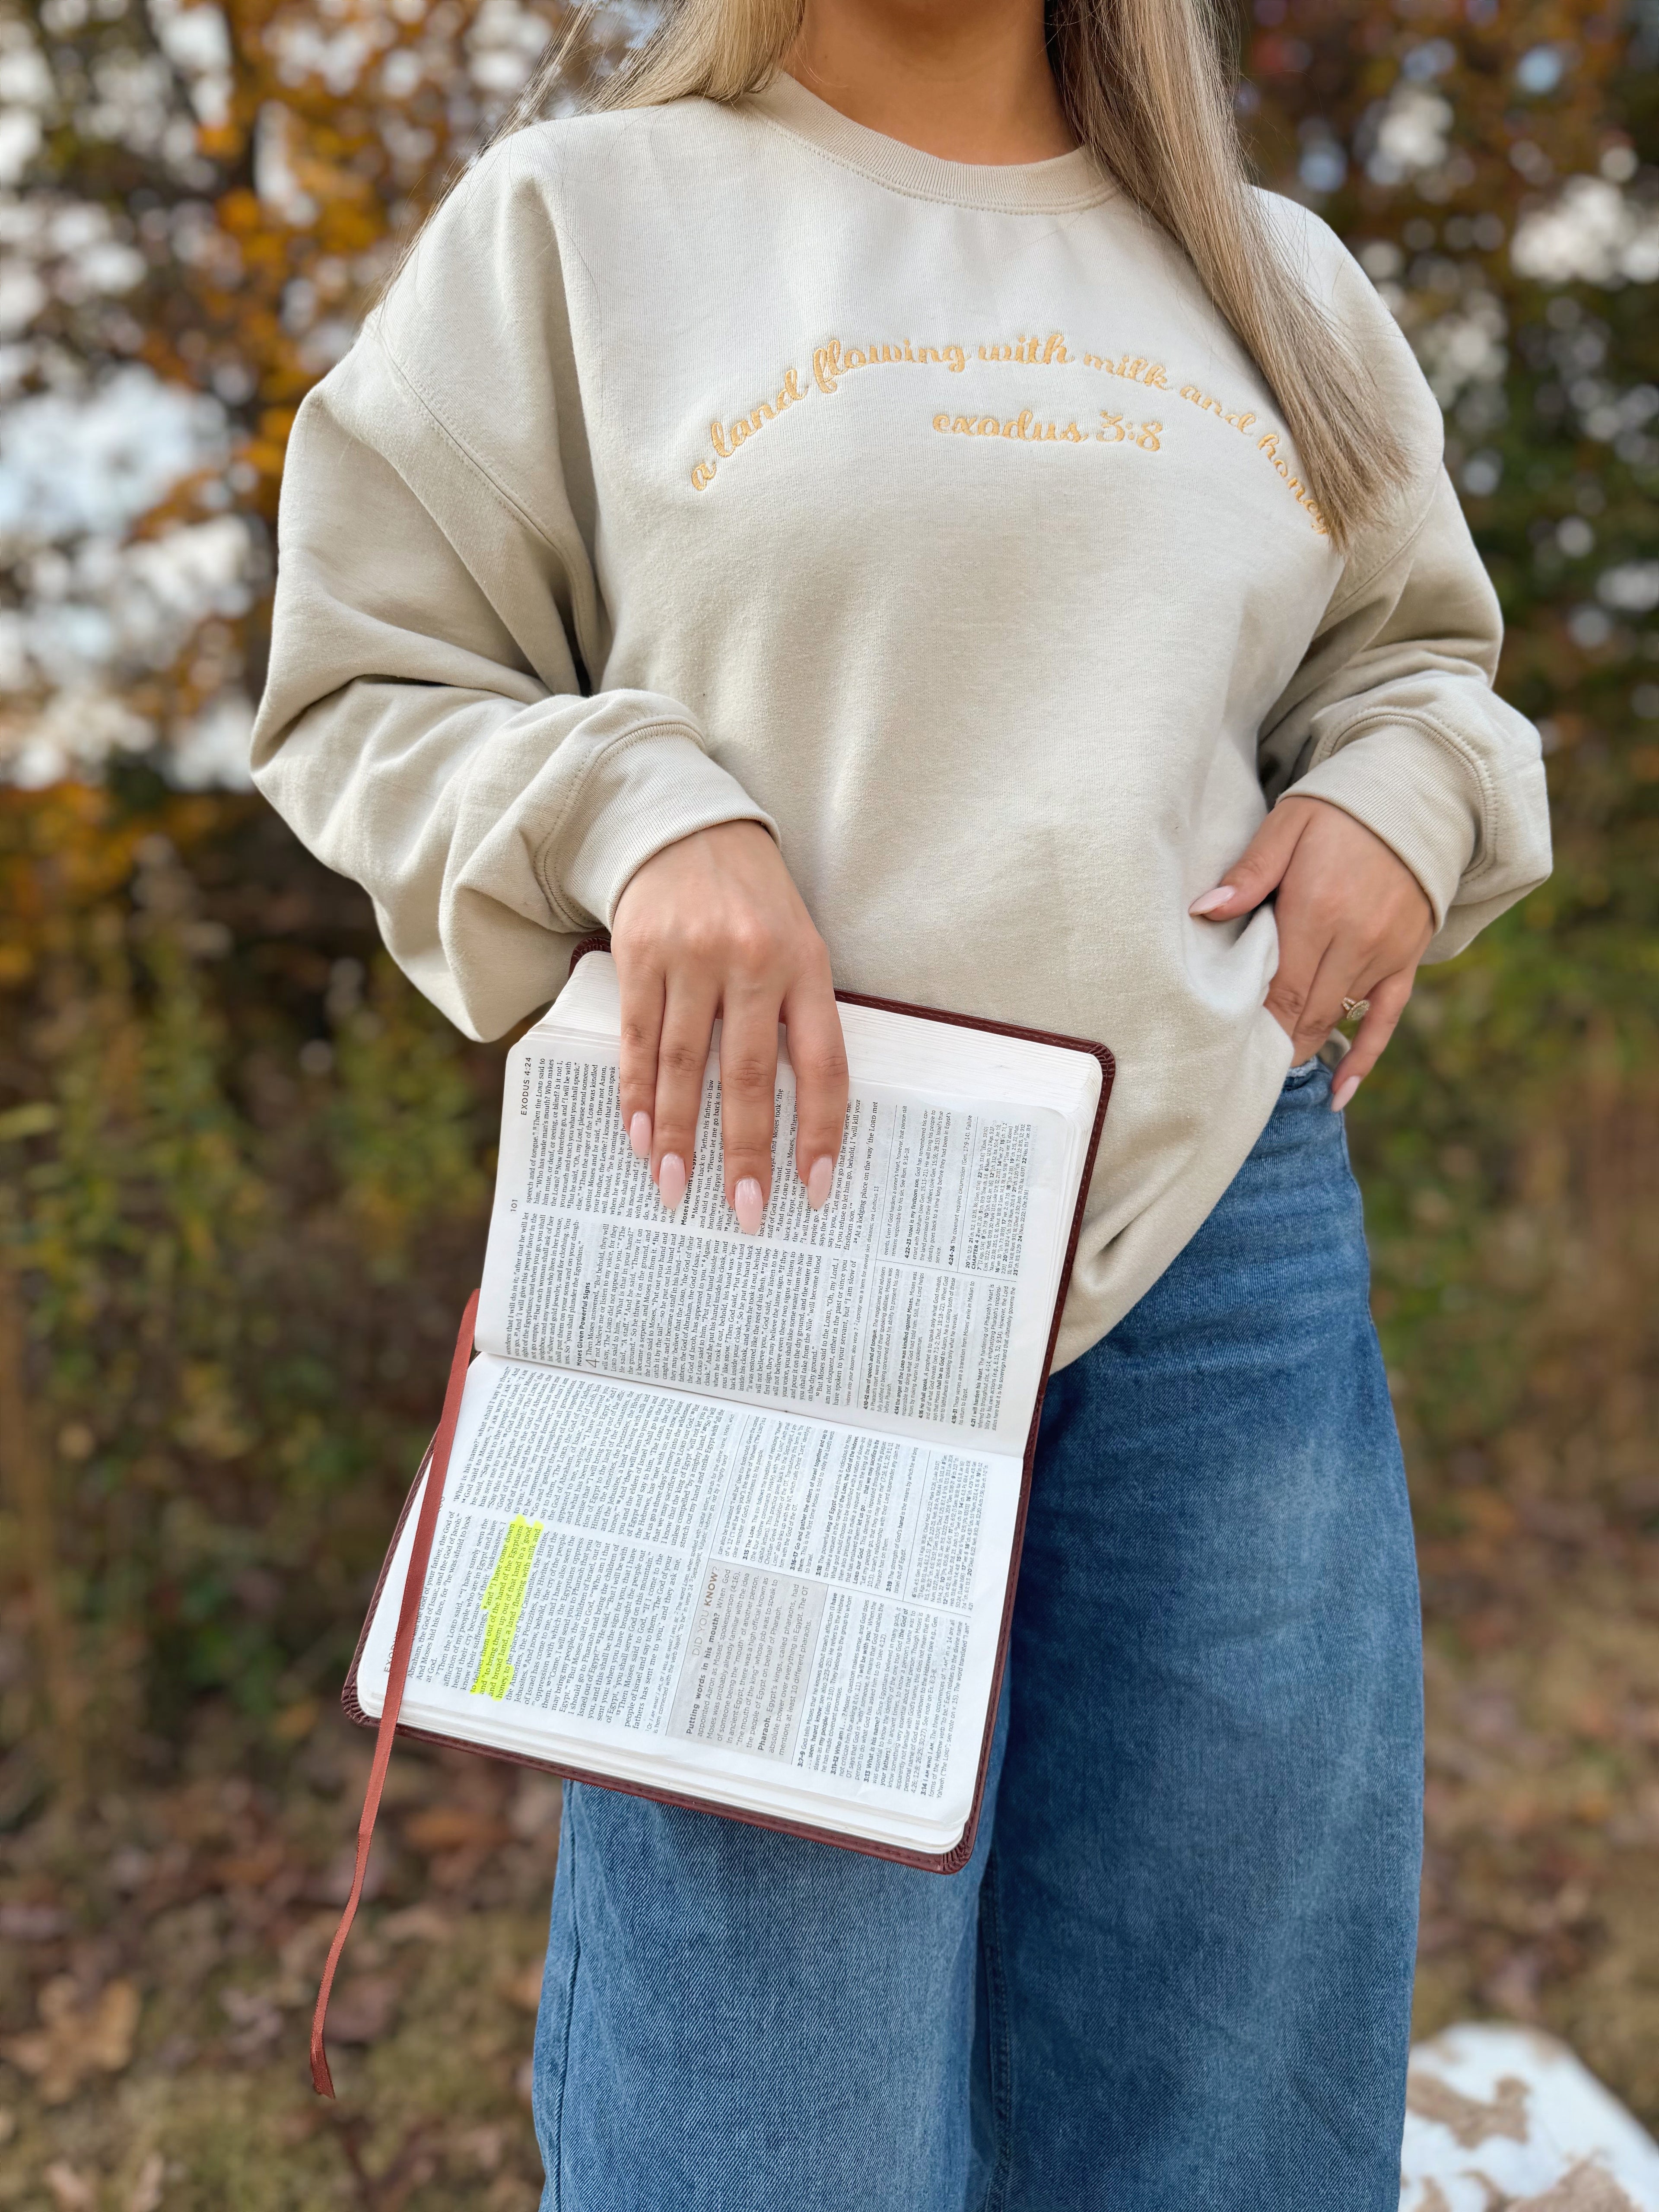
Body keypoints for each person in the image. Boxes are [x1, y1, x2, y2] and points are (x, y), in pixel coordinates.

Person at [251, 0, 1551, 2203]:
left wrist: (1403, 800)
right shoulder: (581, 224)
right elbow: (367, 679)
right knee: (772, 2130)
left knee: (1232, 2093)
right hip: (775, 1241)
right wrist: (638, 813)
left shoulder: (1274, 276)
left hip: (1217, 1255)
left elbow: (1417, 660)